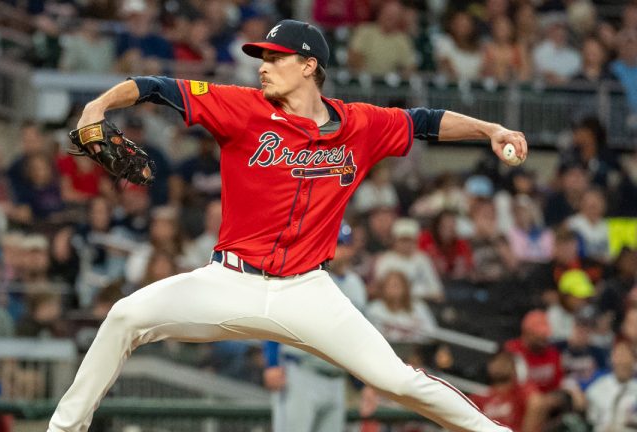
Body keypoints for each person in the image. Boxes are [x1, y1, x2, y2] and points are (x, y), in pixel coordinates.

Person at [47, 19, 527, 432]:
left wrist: (490, 130)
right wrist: (98, 107)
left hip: (308, 291)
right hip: (230, 281)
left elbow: (426, 121)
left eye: (275, 58)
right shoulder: (242, 107)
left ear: (309, 66)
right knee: (125, 316)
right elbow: (155, 86)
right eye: (262, 57)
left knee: (398, 381)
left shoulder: (360, 123)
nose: (263, 65)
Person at [262, 223, 366, 432]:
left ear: (351, 249)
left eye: (342, 245)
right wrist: (272, 362)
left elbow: (361, 336)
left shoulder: (356, 284)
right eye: (333, 244)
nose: (337, 250)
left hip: (337, 379)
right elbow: (275, 319)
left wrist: (365, 383)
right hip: (301, 372)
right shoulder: (301, 277)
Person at [585, 341, 637, 431]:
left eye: (626, 356)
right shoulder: (597, 388)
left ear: (634, 361)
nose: (622, 361)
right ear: (612, 359)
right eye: (618, 356)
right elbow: (591, 421)